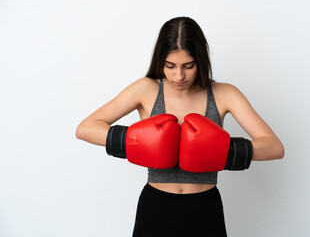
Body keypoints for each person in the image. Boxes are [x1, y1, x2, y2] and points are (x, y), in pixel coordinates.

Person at [76, 16, 284, 237]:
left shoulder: (224, 94)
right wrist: (135, 140)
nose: (179, 75)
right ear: (160, 61)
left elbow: (274, 147)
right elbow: (86, 128)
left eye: (189, 66)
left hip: (205, 210)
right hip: (155, 209)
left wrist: (225, 151)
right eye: (170, 66)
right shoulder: (146, 90)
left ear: (201, 61)